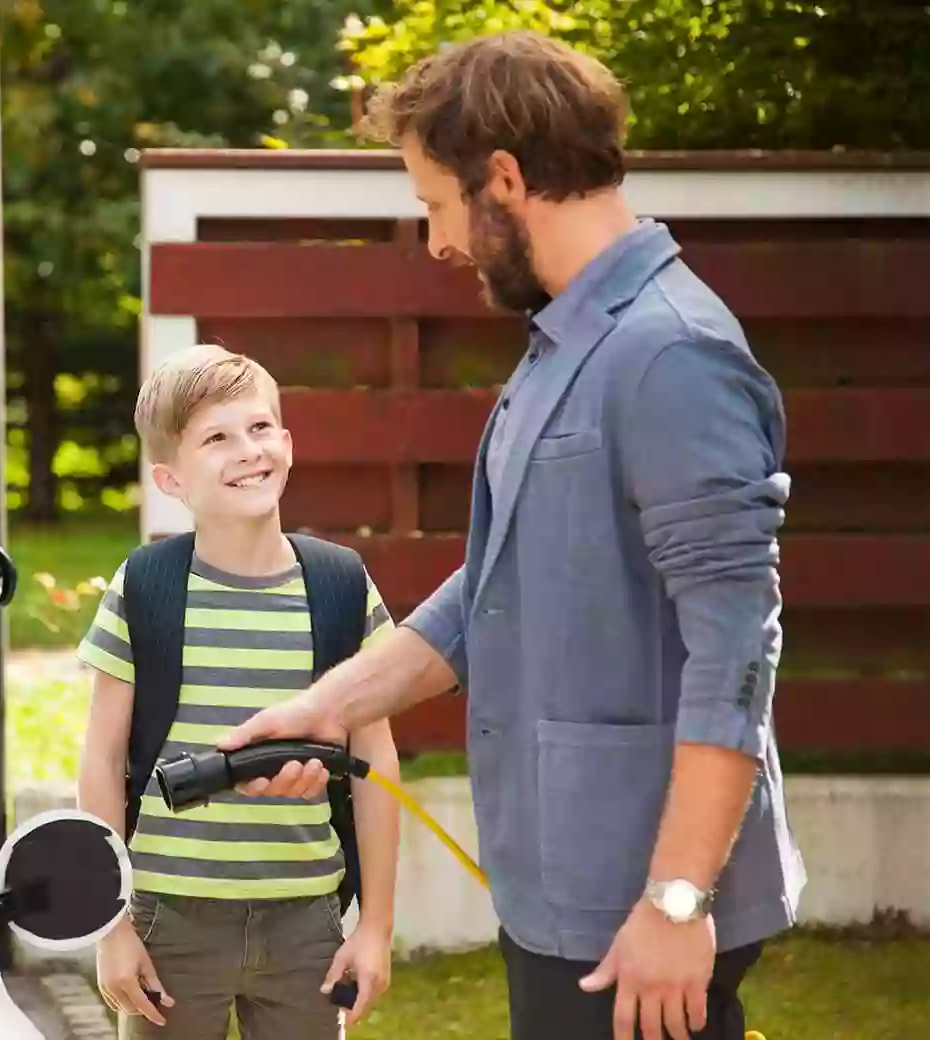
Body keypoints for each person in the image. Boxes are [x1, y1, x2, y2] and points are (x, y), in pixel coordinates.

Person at [214, 30, 805, 1040]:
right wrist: (326, 704)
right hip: (562, 884)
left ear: (502, 178)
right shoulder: (567, 342)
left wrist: (675, 900)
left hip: (640, 904)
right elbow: (498, 583)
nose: (436, 241)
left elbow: (737, 649)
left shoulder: (672, 356)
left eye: (434, 205)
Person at [75, 344, 404, 1038]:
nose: (248, 451)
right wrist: (112, 929)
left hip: (306, 920)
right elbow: (101, 763)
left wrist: (374, 927)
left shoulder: (342, 588)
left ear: (286, 442)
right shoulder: (145, 589)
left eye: (259, 429)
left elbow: (376, 764)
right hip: (169, 920)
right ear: (170, 477)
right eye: (217, 439)